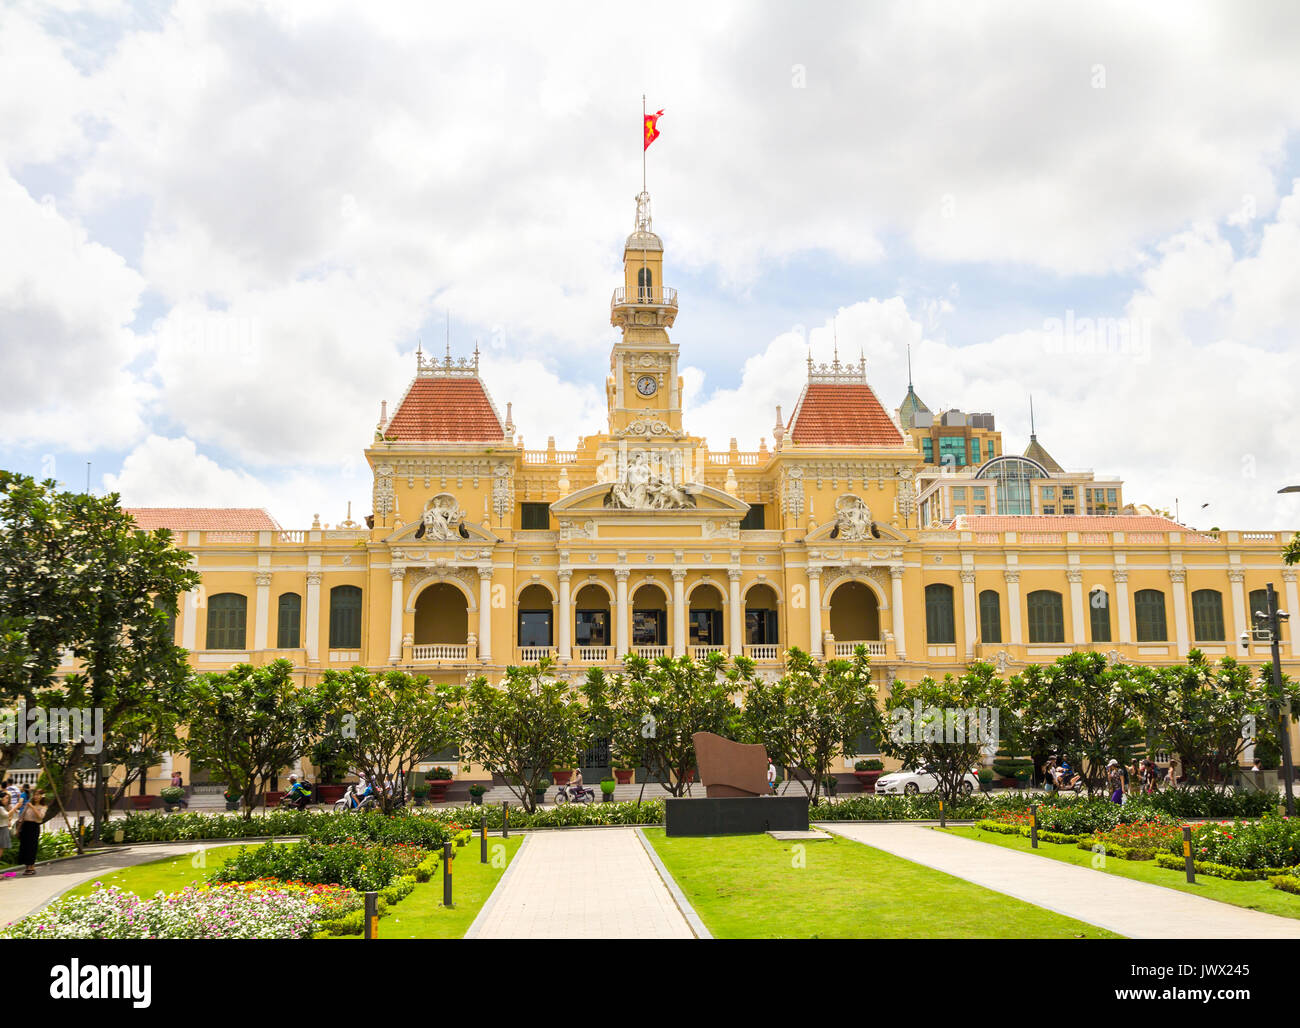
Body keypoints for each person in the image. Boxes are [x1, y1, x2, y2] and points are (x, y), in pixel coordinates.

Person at [17, 789, 46, 876]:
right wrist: (18, 828)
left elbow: (40, 817)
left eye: (38, 795)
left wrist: (33, 807)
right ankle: (27, 867)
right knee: (25, 847)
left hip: (34, 827)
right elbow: (22, 816)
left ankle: (32, 867)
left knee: (32, 847)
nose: (36, 797)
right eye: (35, 795)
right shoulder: (28, 804)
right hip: (26, 826)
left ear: (42, 796)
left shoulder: (43, 807)